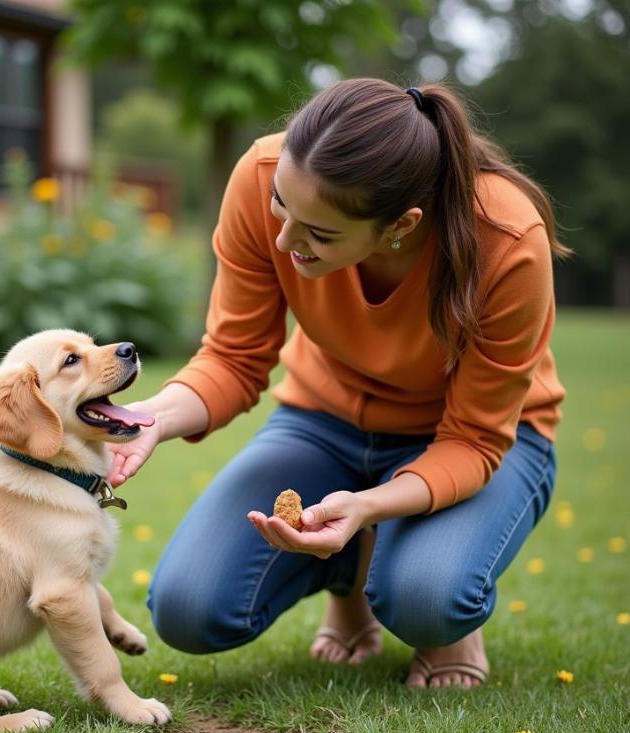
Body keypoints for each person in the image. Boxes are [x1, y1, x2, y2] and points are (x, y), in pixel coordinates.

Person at [107, 78, 567, 688]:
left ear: (400, 224)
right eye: (280, 205)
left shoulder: (506, 241)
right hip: (324, 422)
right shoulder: (262, 173)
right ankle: (351, 577)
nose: (283, 240)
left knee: (427, 600)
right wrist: (155, 418)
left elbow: (476, 440)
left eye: (319, 234)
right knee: (189, 610)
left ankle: (425, 601)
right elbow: (234, 357)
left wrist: (371, 506)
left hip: (482, 439)